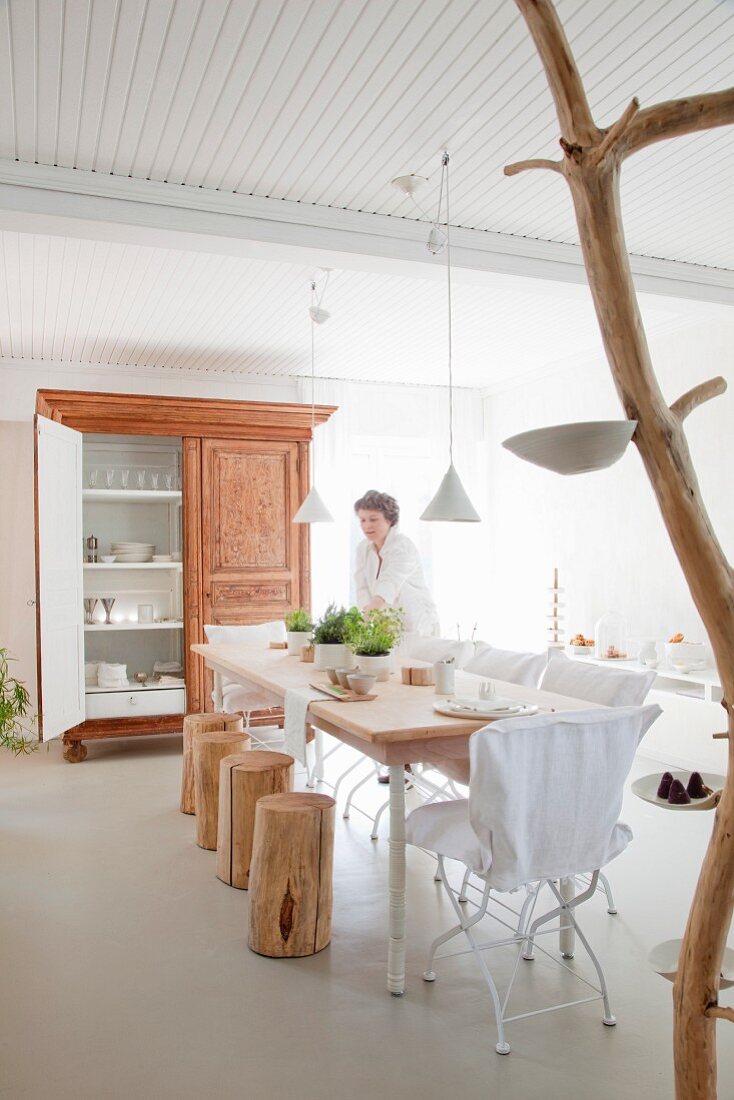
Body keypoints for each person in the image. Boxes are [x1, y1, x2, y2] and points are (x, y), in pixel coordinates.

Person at [353, 489, 439, 638]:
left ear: (389, 520)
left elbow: (388, 584)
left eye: (373, 519)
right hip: (388, 627)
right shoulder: (363, 548)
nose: (367, 526)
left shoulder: (402, 546)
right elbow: (362, 587)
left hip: (417, 625)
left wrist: (363, 620)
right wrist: (366, 618)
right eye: (362, 520)